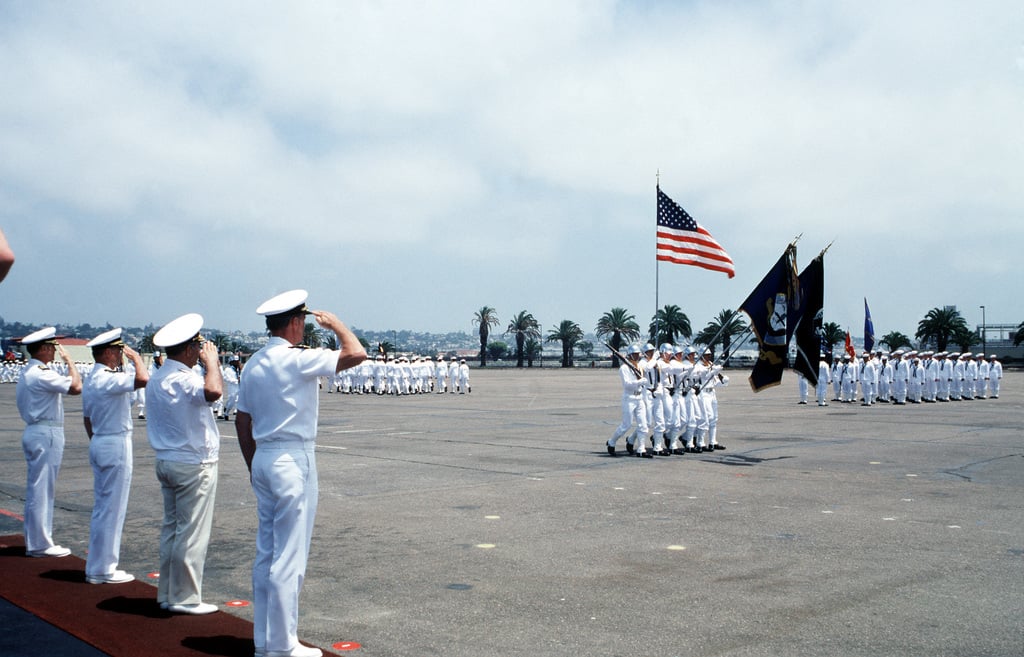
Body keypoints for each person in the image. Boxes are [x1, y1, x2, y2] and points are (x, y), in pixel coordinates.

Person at [236, 290, 367, 657]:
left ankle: (265, 640)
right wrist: (337, 324)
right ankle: (282, 645)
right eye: (305, 322)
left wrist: (254, 465)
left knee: (267, 553)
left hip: (263, 458)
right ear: (295, 322)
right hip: (293, 459)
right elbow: (356, 353)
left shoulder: (254, 363)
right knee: (289, 556)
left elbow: (242, 420)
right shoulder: (296, 359)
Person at [146, 313, 223, 615]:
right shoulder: (184, 378)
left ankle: (168, 592)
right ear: (190, 349)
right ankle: (185, 597)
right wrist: (213, 363)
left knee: (173, 530)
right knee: (191, 533)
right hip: (193, 464)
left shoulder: (159, 378)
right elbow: (214, 392)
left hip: (168, 461)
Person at [82, 328, 148, 584]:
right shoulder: (107, 378)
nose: (122, 355)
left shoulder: (92, 378)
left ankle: (98, 565)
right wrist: (137, 358)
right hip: (114, 442)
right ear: (109, 352)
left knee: (103, 506)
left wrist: (99, 440)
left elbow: (87, 419)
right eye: (119, 351)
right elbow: (143, 380)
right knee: (112, 508)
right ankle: (102, 569)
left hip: (100, 440)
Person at [16, 327, 82, 557]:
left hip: (37, 431)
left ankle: (36, 539)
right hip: (45, 433)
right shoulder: (41, 373)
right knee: (42, 489)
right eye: (52, 347)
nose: (55, 351)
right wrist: (70, 362)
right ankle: (40, 543)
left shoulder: (31, 371)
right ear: (43, 348)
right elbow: (75, 387)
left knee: (39, 487)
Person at [606, 344, 650, 457]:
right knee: (626, 425)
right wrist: (640, 382)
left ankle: (641, 449)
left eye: (637, 354)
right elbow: (627, 385)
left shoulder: (639, 366)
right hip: (629, 398)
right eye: (634, 355)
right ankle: (611, 442)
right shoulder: (624, 368)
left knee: (643, 425)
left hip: (639, 398)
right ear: (629, 355)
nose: (637, 356)